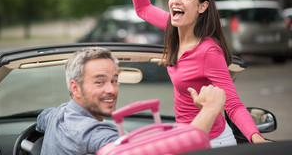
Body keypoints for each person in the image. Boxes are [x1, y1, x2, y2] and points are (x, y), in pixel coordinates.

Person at [124, 0, 269, 147]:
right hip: (185, 136)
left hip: (213, 142)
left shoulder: (208, 52)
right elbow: (143, 8)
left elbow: (233, 105)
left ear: (202, 7)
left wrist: (256, 138)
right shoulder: (172, 27)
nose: (176, 0)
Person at [36, 47, 228, 155]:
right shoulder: (94, 132)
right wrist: (210, 109)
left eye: (114, 80)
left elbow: (41, 119)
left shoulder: (56, 115)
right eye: (100, 82)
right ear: (75, 88)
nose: (111, 89)